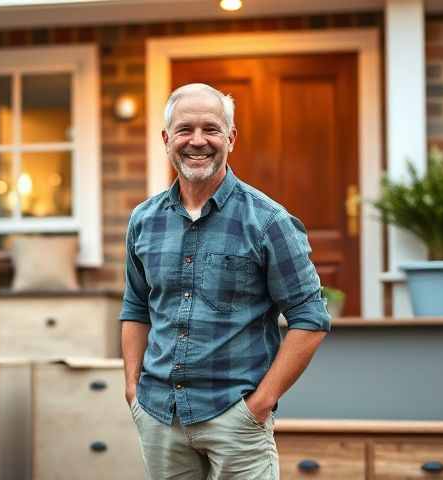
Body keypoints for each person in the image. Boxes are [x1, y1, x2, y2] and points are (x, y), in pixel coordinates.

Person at [120, 83, 330, 479]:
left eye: (210, 129)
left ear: (230, 138)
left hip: (235, 419)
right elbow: (135, 306)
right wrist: (133, 389)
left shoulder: (268, 221)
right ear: (166, 140)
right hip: (160, 416)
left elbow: (310, 318)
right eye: (184, 130)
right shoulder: (143, 221)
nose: (197, 141)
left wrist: (260, 404)